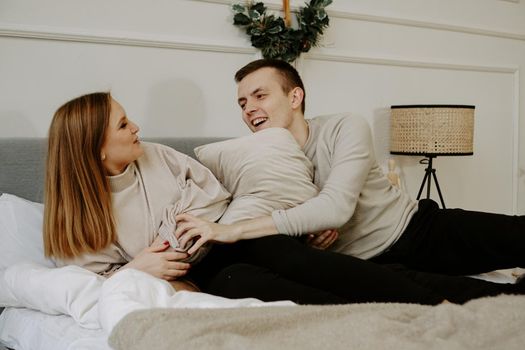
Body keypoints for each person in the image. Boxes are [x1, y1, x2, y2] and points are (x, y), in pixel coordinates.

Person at [175, 59, 525, 299]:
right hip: (367, 266)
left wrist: (234, 230)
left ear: (295, 97)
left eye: (260, 95)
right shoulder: (249, 161)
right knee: (499, 299)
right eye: (241, 102)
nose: (248, 108)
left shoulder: (345, 126)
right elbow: (281, 248)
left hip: (414, 229)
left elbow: (336, 207)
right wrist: (304, 243)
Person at [43, 92, 231, 292]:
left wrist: (167, 234)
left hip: (216, 254)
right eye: (123, 125)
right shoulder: (74, 221)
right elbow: (90, 288)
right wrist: (135, 270)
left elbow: (213, 192)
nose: (135, 127)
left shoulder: (156, 155)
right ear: (97, 149)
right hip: (167, 283)